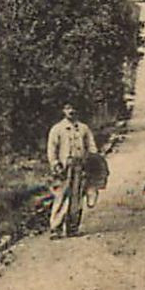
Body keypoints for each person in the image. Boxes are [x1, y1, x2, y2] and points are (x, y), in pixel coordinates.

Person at [45, 102, 97, 238]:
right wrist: (55, 163)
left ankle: (73, 227)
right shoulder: (57, 129)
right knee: (61, 196)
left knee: (77, 197)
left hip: (80, 166)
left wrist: (92, 162)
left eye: (74, 108)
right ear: (63, 110)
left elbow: (91, 147)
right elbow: (52, 149)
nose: (71, 111)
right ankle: (56, 228)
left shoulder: (84, 129)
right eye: (68, 108)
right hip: (64, 167)